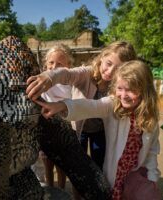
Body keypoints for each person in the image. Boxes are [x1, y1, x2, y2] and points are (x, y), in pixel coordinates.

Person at [33, 60, 161, 200]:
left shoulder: (150, 118)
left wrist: (152, 177)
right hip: (115, 175)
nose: (123, 95)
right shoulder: (113, 105)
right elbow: (90, 106)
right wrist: (62, 105)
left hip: (136, 175)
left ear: (145, 90)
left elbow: (152, 150)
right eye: (120, 88)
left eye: (130, 89)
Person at [27, 41, 137, 171]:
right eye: (108, 63)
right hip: (80, 130)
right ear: (102, 57)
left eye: (118, 68)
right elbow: (68, 74)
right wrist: (49, 77)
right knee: (78, 166)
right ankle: (77, 192)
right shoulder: (87, 73)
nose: (110, 71)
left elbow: (99, 106)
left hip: (101, 131)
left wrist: (63, 105)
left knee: (99, 163)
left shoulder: (119, 87)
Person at [35, 44, 73, 189]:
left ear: (68, 66)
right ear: (46, 64)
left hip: (63, 128)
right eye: (51, 62)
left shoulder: (69, 84)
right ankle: (51, 191)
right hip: (46, 128)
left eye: (59, 64)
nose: (54, 66)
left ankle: (62, 191)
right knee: (48, 164)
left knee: (62, 166)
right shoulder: (42, 80)